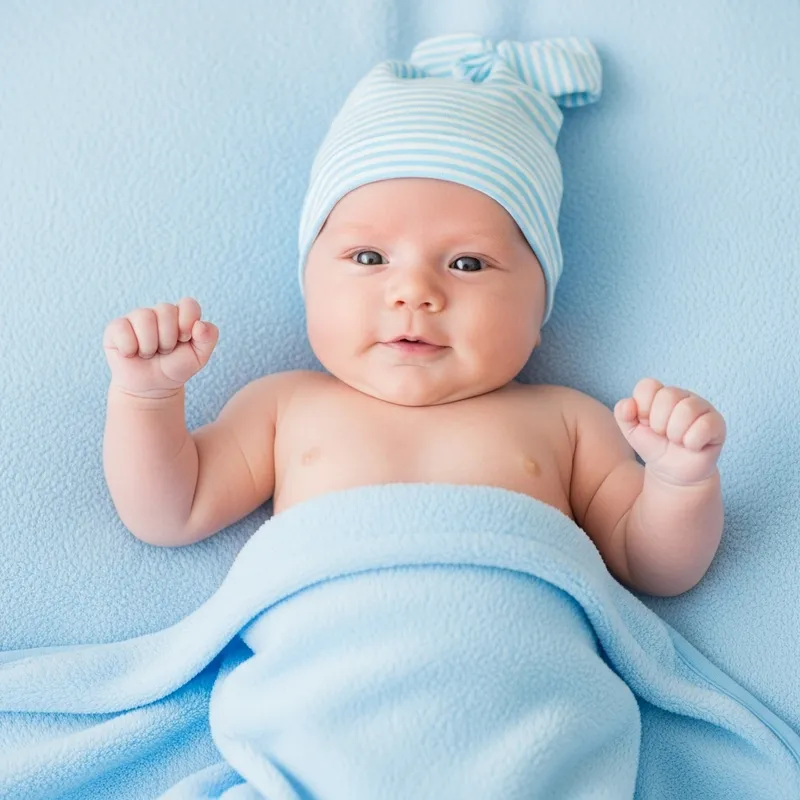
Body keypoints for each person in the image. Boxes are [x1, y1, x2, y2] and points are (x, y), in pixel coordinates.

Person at [102, 34, 726, 598]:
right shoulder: (282, 408)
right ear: (308, 285)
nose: (414, 293)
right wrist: (147, 400)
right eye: (369, 256)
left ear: (540, 309)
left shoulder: (568, 422)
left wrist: (678, 484)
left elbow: (654, 569)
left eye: (468, 264)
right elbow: (169, 513)